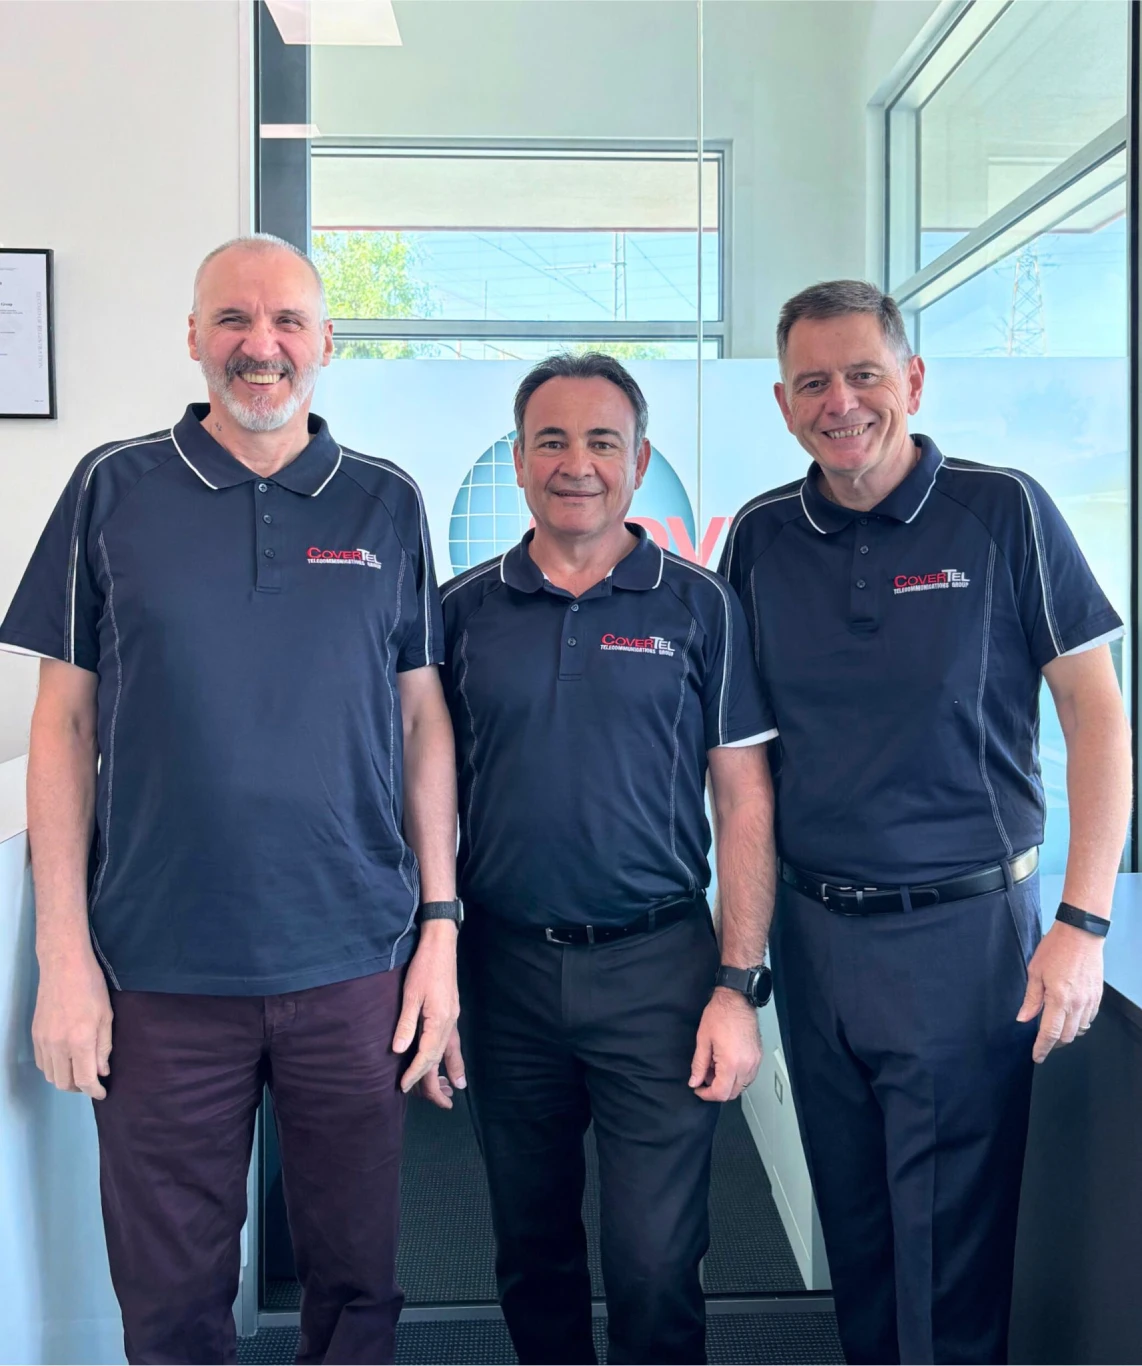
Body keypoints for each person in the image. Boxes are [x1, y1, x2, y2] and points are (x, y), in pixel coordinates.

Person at [0, 233, 465, 1366]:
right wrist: (65, 955)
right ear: (196, 338)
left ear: (326, 342)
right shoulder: (113, 488)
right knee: (169, 1298)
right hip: (158, 968)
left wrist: (440, 933)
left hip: (352, 956)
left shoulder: (383, 503)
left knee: (358, 1282)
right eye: (235, 321)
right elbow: (61, 723)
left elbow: (421, 723)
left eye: (288, 323)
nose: (262, 347)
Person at [719, 279, 1132, 1365]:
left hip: (962, 939)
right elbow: (739, 762)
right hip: (816, 938)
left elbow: (1095, 715)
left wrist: (1081, 921)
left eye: (862, 373)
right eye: (812, 381)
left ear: (910, 378)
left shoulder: (1002, 512)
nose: (839, 400)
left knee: (947, 1255)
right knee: (855, 1234)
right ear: (780, 401)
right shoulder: (760, 539)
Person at [434, 352, 778, 1366]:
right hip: (504, 970)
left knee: (653, 1260)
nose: (574, 462)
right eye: (550, 440)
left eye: (599, 441)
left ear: (638, 460)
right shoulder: (459, 614)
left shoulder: (698, 606)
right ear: (516, 459)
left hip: (657, 971)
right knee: (528, 1248)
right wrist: (437, 963)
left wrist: (737, 983)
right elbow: (422, 796)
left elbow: (743, 797)